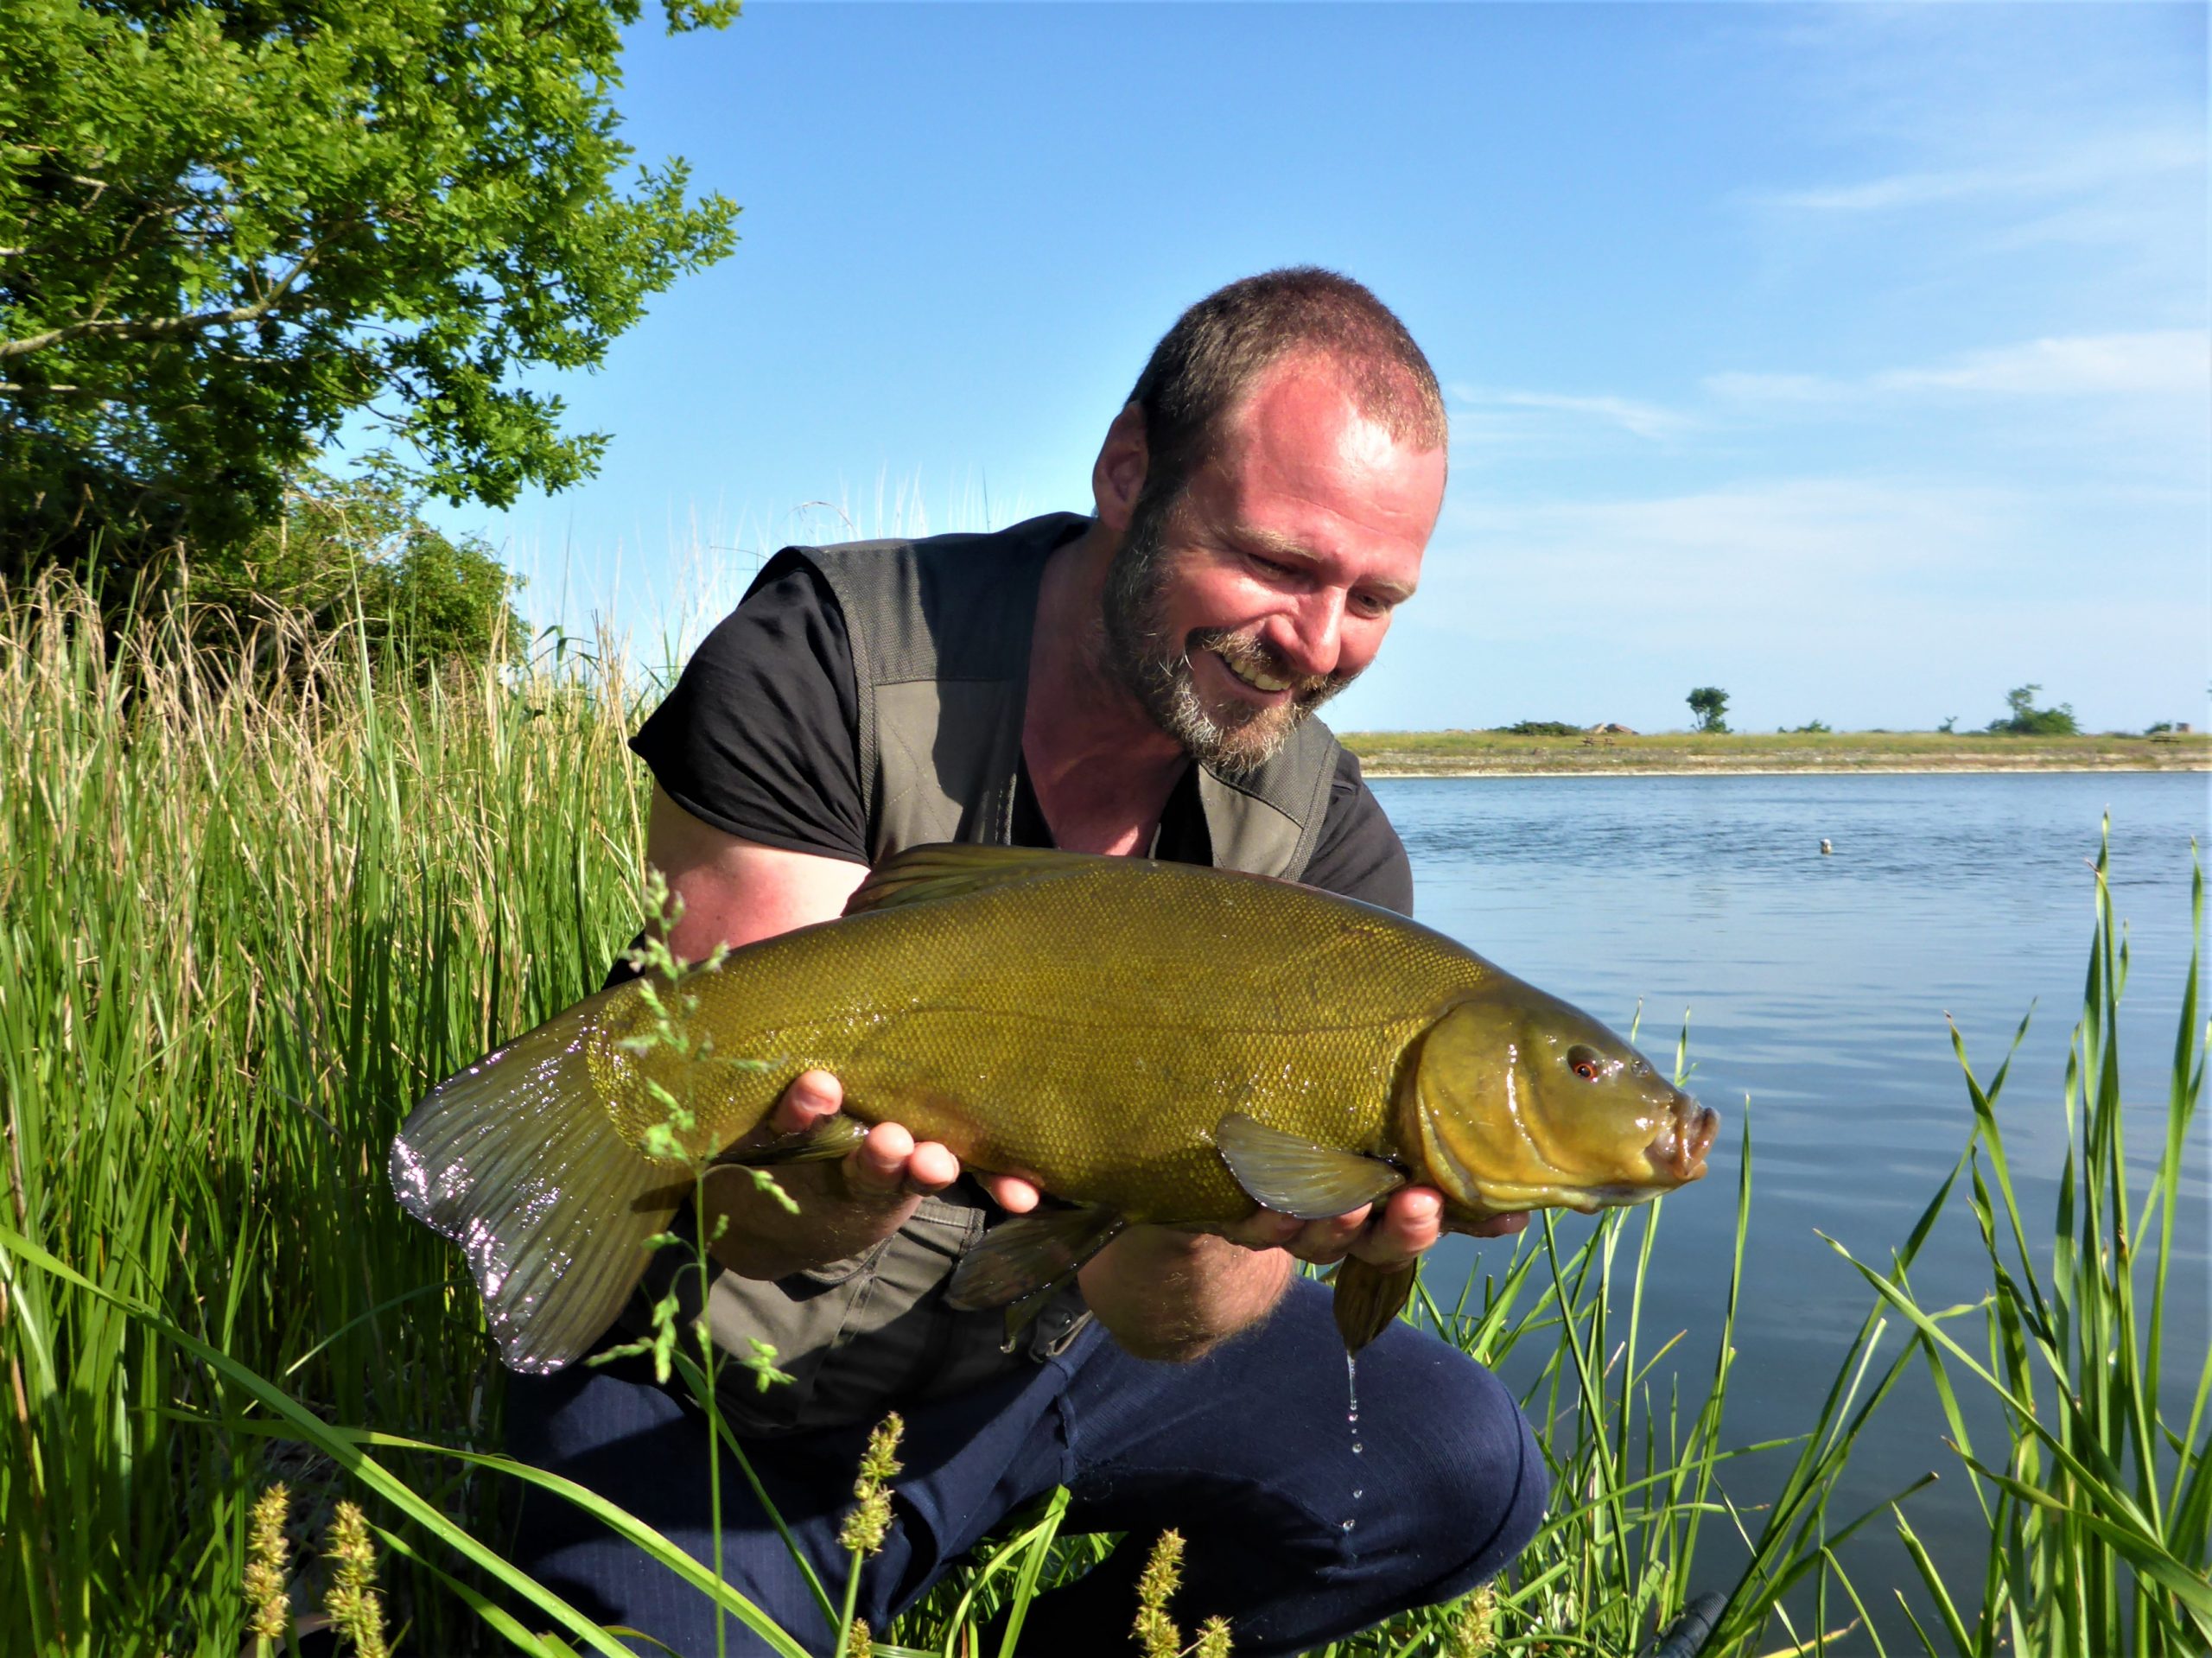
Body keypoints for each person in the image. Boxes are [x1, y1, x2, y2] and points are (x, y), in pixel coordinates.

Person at [504, 269, 1549, 1657]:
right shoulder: (823, 654)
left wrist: (1233, 1216)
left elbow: (1168, 1320)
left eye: (1374, 598)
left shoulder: (1330, 848)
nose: (1316, 641)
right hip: (731, 1369)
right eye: (1280, 564)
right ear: (1128, 472)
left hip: (1048, 1350)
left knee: (1457, 1469)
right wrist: (833, 1200)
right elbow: (732, 1191)